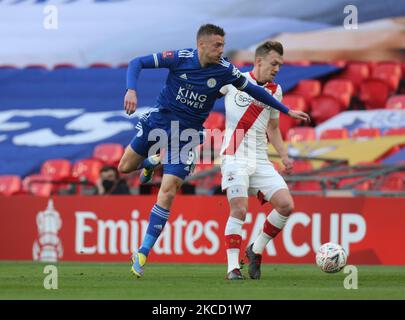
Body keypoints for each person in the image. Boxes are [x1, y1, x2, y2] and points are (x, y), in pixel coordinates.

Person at [118, 24, 310, 278]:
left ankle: (142, 252)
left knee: (168, 190)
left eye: (223, 44)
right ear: (202, 45)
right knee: (124, 167)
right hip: (159, 122)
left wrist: (286, 111)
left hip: (187, 137)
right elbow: (136, 62)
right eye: (217, 45)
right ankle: (151, 162)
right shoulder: (180, 59)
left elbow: (253, 90)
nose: (222, 50)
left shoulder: (225, 71)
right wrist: (131, 88)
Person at [219, 41, 307, 280]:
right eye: (274, 63)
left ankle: (255, 250)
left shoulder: (275, 91)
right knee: (239, 208)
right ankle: (232, 268)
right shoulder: (232, 81)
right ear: (258, 61)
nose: (277, 68)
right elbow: (207, 94)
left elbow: (274, 127)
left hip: (260, 158)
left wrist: (285, 156)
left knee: (286, 205)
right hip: (234, 156)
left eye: (280, 64)